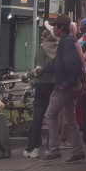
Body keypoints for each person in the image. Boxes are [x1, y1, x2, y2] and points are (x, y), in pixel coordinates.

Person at [36, 14, 86, 163]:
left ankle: (54, 150)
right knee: (70, 118)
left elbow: (75, 64)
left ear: (61, 28)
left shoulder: (66, 43)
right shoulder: (67, 42)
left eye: (55, 26)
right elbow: (59, 63)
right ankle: (78, 150)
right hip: (70, 86)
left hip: (64, 87)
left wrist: (67, 82)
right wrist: (44, 69)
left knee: (50, 115)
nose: (53, 29)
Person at [22, 26, 59, 158]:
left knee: (38, 116)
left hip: (42, 85)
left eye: (42, 35)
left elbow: (38, 70)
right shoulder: (58, 46)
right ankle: (52, 146)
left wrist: (28, 75)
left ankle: (33, 148)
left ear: (44, 36)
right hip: (55, 85)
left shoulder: (42, 48)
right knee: (53, 117)